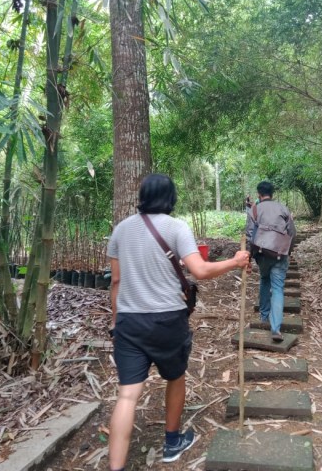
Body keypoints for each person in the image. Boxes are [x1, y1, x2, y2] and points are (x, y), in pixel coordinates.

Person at [107, 174, 251, 471]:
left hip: (129, 322)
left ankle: (115, 467)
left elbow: (116, 283)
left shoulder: (121, 230)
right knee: (175, 377)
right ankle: (172, 442)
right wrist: (235, 263)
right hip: (167, 320)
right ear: (171, 198)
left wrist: (116, 323)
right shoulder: (176, 227)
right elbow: (199, 270)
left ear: (142, 196)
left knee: (127, 394)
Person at [246, 181, 296, 342]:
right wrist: (288, 250)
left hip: (262, 253)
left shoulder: (254, 209)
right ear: (272, 194)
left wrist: (249, 254)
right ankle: (276, 329)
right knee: (278, 288)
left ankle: (264, 316)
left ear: (259, 194)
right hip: (280, 254)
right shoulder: (283, 208)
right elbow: (292, 232)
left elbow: (249, 234)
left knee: (264, 279)